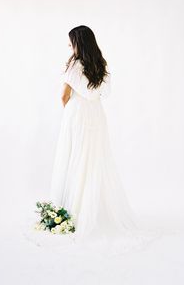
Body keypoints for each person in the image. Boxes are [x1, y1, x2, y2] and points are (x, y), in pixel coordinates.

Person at [48, 25, 162, 251]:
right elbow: (102, 93)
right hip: (96, 115)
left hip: (77, 114)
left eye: (71, 43)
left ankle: (74, 210)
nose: (69, 47)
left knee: (74, 157)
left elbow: (64, 95)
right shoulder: (100, 64)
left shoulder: (75, 64)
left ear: (79, 43)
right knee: (94, 159)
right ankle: (95, 210)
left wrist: (69, 113)